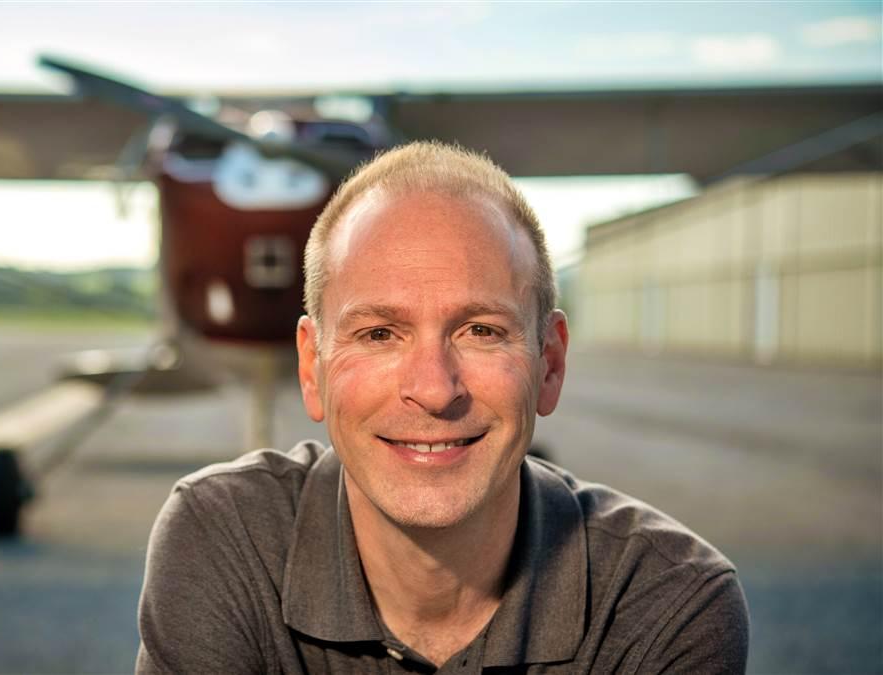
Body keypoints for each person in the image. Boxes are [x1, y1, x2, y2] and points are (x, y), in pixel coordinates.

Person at [135, 142, 749, 674]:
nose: (433, 389)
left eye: (481, 331)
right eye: (379, 334)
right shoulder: (221, 537)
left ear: (550, 364)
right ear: (310, 368)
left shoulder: (670, 601)